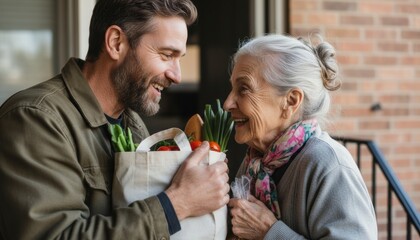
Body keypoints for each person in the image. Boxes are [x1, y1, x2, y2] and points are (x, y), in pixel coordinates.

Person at [0, 0, 230, 239]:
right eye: (166, 55)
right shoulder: (35, 118)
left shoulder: (132, 124)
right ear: (116, 43)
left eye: (179, 57)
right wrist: (177, 204)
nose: (177, 75)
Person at [224, 34, 378, 239]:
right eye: (232, 88)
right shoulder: (255, 163)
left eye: (244, 88)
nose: (227, 103)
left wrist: (268, 233)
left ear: (291, 100)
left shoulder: (329, 164)